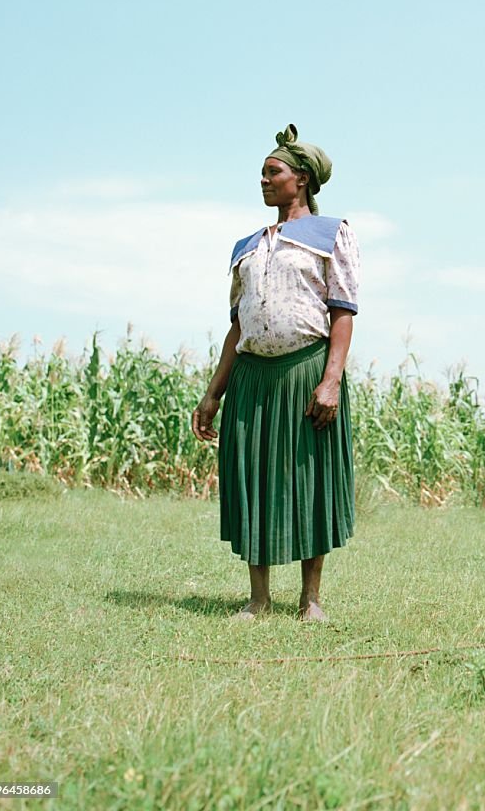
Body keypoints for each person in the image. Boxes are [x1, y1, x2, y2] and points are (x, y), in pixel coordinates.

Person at [191, 124, 359, 622]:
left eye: (273, 172)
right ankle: (258, 598)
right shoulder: (246, 245)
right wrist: (212, 395)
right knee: (254, 478)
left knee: (307, 478)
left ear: (301, 179)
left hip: (305, 373)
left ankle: (310, 600)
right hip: (252, 378)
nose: (264, 181)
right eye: (262, 174)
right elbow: (237, 327)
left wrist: (330, 381)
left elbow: (343, 313)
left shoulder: (330, 234)